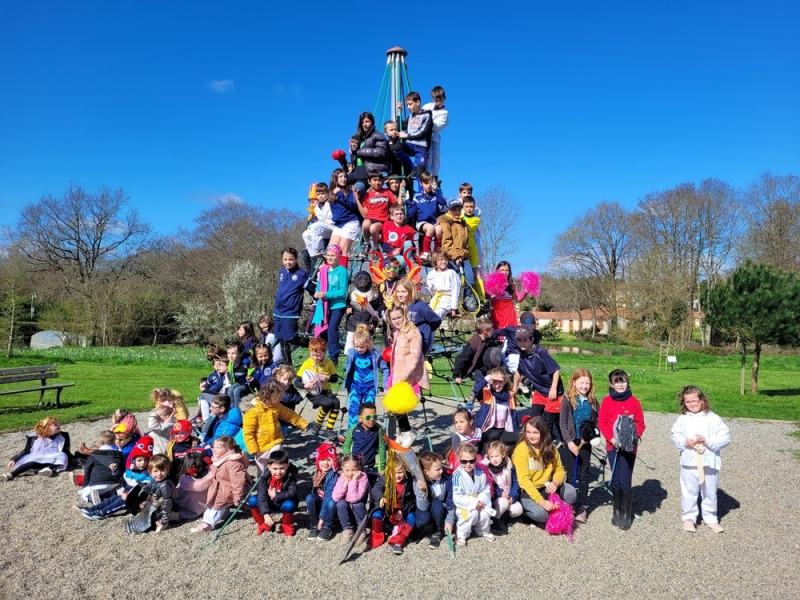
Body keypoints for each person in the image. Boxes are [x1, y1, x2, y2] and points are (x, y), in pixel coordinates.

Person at [670, 385, 730, 533]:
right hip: (690, 461)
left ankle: (711, 518)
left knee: (709, 490)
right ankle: (689, 518)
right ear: (684, 403)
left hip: (709, 460)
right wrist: (685, 442)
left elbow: (725, 437)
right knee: (689, 491)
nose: (691, 404)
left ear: (702, 400)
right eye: (688, 402)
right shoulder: (683, 419)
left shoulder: (713, 418)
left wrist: (708, 441)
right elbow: (675, 435)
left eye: (694, 401)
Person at [597, 369, 646, 530]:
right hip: (613, 446)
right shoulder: (607, 401)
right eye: (616, 382)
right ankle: (617, 510)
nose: (620, 385)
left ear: (627, 382)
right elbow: (602, 423)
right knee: (616, 477)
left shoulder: (634, 402)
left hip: (629, 448)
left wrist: (633, 438)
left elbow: (640, 424)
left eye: (622, 381)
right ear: (611, 384)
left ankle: (626, 513)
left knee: (626, 478)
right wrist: (612, 439)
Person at [512, 416, 578, 526]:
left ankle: (557, 509)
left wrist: (556, 482)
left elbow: (559, 469)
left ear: (542, 432)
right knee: (542, 516)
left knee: (571, 493)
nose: (531, 436)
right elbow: (524, 481)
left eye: (535, 432)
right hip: (529, 491)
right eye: (528, 432)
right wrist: (541, 501)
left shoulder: (551, 448)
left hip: (547, 487)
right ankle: (524, 513)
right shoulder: (521, 449)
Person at [386, 305, 430, 446]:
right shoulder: (397, 332)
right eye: (393, 319)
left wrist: (405, 374)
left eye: (399, 317)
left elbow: (415, 355)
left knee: (401, 404)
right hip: (396, 372)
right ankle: (403, 432)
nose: (397, 321)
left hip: (406, 374)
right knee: (395, 405)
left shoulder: (413, 332)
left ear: (405, 316)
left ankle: (407, 431)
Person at [511, 326, 564, 442]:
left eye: (525, 340)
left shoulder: (540, 352)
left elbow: (556, 370)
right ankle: (539, 442)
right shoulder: (522, 354)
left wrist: (553, 388)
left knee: (552, 421)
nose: (522, 343)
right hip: (539, 391)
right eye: (519, 340)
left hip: (553, 392)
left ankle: (565, 441)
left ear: (532, 340)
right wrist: (514, 387)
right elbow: (519, 372)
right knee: (534, 419)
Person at [559, 368, 598, 524]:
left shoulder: (593, 402)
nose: (584, 386)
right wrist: (569, 442)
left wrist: (593, 436)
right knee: (571, 475)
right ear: (574, 382)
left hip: (585, 443)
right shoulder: (567, 401)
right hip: (571, 442)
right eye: (581, 383)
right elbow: (562, 423)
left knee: (584, 474)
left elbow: (596, 422)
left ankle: (582, 506)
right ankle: (569, 505)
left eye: (587, 383)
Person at [242, 379, 308, 467]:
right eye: (279, 397)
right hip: (261, 447)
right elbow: (248, 433)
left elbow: (290, 415)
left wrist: (303, 425)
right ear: (270, 395)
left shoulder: (277, 406)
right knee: (262, 472)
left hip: (275, 441)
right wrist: (254, 450)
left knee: (275, 461)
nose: (281, 399)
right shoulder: (253, 411)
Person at [192, 436, 251, 533]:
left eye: (218, 447)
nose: (214, 449)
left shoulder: (233, 464)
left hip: (230, 489)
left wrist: (237, 496)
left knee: (217, 504)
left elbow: (238, 482)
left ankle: (208, 523)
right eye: (214, 447)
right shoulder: (219, 460)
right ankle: (223, 514)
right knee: (214, 501)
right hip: (220, 486)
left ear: (228, 450)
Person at [342, 324, 388, 431]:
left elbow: (385, 369)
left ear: (368, 343)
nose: (359, 349)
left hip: (369, 388)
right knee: (353, 409)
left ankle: (368, 432)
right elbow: (348, 366)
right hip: (355, 386)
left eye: (362, 347)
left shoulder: (374, 355)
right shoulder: (352, 353)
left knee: (368, 410)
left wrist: (386, 386)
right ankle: (352, 432)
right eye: (356, 346)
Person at [311, 244, 349, 365]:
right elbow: (319, 286)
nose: (330, 258)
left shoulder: (342, 271)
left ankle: (334, 357)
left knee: (332, 329)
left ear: (338, 257)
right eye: (328, 255)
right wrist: (317, 293)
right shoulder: (323, 270)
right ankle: (320, 354)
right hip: (324, 305)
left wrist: (326, 294)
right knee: (322, 330)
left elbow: (343, 292)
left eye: (333, 255)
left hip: (337, 305)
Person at [273, 247, 311, 366]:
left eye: (290, 259)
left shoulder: (301, 274)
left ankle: (312, 343)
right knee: (281, 339)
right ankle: (288, 366)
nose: (288, 262)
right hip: (278, 312)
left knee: (290, 338)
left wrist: (317, 298)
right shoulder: (282, 272)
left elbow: (312, 288)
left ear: (296, 259)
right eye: (285, 259)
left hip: (290, 312)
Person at [295, 337, 340, 438]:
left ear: (324, 352)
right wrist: (306, 385)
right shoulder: (307, 364)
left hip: (326, 390)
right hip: (313, 393)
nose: (315, 357)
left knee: (336, 402)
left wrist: (328, 378)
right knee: (328, 403)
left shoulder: (328, 362)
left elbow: (335, 378)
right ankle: (317, 424)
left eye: (318, 355)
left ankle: (329, 430)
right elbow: (296, 382)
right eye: (313, 355)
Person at [452, 442, 494, 545]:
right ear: (459, 459)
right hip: (465, 503)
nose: (468, 464)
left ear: (476, 459)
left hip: (480, 500)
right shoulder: (457, 475)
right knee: (471, 514)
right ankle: (462, 534)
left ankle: (483, 530)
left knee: (484, 513)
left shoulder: (480, 472)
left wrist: (481, 500)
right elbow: (457, 496)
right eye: (464, 461)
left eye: (471, 461)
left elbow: (485, 488)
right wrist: (474, 503)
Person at [3, 417, 71, 481]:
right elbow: (26, 450)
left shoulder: (63, 436)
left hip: (52, 461)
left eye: (58, 424)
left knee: (63, 455)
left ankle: (47, 469)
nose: (58, 426)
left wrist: (72, 459)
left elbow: (66, 451)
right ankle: (10, 475)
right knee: (31, 463)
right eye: (55, 425)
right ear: (47, 428)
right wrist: (15, 459)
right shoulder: (35, 437)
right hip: (39, 459)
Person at [371, 461, 417, 554]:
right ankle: (377, 535)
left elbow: (413, 499)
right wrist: (381, 497)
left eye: (400, 472)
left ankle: (399, 540)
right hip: (386, 508)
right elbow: (376, 489)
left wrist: (403, 511)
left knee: (412, 518)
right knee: (376, 516)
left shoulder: (409, 480)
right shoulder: (385, 478)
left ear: (405, 470)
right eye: (393, 473)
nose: (397, 476)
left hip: (402, 509)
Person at [250, 449, 299, 537]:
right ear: (269, 467)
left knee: (289, 505)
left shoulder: (290, 476)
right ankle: (263, 523)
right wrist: (266, 514)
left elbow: (292, 492)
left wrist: (277, 495)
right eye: (275, 469)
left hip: (283, 503)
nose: (278, 472)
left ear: (287, 466)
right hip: (269, 503)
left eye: (282, 468)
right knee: (253, 500)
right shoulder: (264, 478)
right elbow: (262, 495)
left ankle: (287, 525)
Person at [124, 453, 175, 534]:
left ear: (167, 470)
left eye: (162, 470)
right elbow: (150, 490)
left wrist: (164, 520)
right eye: (155, 471)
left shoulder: (165, 486)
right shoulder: (154, 481)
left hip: (162, 510)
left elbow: (167, 503)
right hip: (153, 505)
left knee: (149, 522)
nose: (159, 474)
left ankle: (169, 519)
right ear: (150, 472)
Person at [414, 451, 455, 549]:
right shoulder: (418, 482)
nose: (441, 471)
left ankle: (437, 532)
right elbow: (422, 507)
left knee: (437, 504)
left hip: (439, 509)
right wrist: (421, 491)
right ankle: (423, 529)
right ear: (426, 472)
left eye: (441, 468)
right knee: (423, 518)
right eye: (437, 469)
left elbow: (450, 501)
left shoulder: (446, 479)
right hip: (425, 510)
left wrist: (449, 521)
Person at [70, 430, 124, 503]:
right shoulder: (120, 455)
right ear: (114, 442)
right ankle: (112, 494)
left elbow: (87, 471)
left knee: (84, 493)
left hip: (98, 483)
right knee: (111, 490)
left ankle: (92, 497)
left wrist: (85, 486)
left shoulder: (94, 455)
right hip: (114, 483)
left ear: (98, 443)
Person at [473, 368, 520, 451]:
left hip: (502, 430)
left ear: (505, 381)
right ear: (491, 381)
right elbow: (476, 390)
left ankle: (500, 448)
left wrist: (515, 431)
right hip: (488, 429)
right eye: (495, 381)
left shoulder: (510, 395)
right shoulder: (487, 393)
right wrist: (487, 378)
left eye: (500, 382)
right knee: (494, 435)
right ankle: (487, 449)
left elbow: (513, 415)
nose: (497, 385)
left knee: (520, 437)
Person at [392, 277, 442, 357]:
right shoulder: (399, 307)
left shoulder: (420, 307)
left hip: (419, 343)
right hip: (405, 342)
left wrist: (427, 331)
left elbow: (436, 320)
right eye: (398, 291)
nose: (400, 295)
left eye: (403, 292)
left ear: (410, 292)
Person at [406, 172, 446, 263]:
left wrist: (437, 189)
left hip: (434, 222)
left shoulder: (435, 195)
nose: (428, 186)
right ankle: (426, 252)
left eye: (430, 183)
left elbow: (443, 202)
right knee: (430, 228)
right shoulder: (417, 197)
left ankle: (436, 253)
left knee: (439, 229)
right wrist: (408, 201)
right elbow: (411, 213)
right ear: (421, 183)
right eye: (426, 183)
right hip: (422, 222)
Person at [483, 441, 522, 534]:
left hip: (509, 494)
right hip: (497, 497)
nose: (494, 459)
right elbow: (491, 485)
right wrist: (500, 493)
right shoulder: (488, 469)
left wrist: (513, 495)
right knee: (503, 503)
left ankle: (505, 516)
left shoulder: (509, 466)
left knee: (518, 510)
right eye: (491, 457)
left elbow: (516, 481)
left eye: (497, 456)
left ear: (503, 454)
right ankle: (495, 520)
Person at [343, 271, 383, 355]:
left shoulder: (375, 296)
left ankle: (365, 362)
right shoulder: (351, 295)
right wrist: (348, 308)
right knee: (349, 349)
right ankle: (350, 361)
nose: (363, 284)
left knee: (365, 348)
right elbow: (346, 305)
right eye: (360, 282)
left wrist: (373, 322)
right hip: (352, 325)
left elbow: (376, 312)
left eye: (365, 281)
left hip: (367, 326)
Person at [306, 442, 339, 542]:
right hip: (322, 500)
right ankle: (314, 525)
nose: (325, 463)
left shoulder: (333, 476)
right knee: (309, 497)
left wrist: (322, 518)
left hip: (330, 504)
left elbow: (328, 497)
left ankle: (327, 526)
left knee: (331, 502)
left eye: (328, 460)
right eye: (322, 460)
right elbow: (315, 491)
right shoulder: (318, 474)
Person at [333, 454, 370, 543]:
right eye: (347, 470)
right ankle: (347, 529)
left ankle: (362, 529)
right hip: (347, 506)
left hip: (359, 504)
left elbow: (354, 498)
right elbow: (335, 497)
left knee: (356, 504)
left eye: (353, 470)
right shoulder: (342, 478)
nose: (350, 473)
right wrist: (345, 483)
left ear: (359, 468)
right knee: (340, 504)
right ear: (342, 469)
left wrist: (354, 480)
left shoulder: (363, 477)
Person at [328, 170, 362, 267]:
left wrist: (340, 194)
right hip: (339, 224)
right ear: (335, 179)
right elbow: (335, 211)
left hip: (350, 221)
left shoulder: (351, 191)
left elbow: (352, 205)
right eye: (340, 177)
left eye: (345, 177)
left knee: (342, 250)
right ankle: (330, 273)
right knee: (331, 251)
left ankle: (342, 273)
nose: (343, 179)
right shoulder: (331, 194)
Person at [342, 402, 387, 475]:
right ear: (360, 418)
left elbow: (382, 448)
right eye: (368, 417)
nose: (372, 419)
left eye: (374, 417)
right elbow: (347, 445)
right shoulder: (353, 429)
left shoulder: (379, 429)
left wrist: (382, 468)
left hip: (369, 466)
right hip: (354, 466)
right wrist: (348, 461)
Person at [358, 172, 397, 252]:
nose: (377, 182)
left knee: (373, 228)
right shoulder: (367, 195)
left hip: (382, 221)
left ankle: (376, 248)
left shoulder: (387, 192)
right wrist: (357, 199)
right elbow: (365, 214)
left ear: (382, 181)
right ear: (369, 182)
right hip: (370, 218)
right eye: (374, 180)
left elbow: (394, 205)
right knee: (365, 224)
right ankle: (367, 243)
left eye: (379, 180)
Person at [452, 317, 497, 387]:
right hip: (474, 369)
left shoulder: (489, 340)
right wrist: (457, 375)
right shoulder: (474, 343)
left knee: (496, 379)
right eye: (491, 330)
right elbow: (461, 359)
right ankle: (477, 392)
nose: (493, 330)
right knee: (482, 382)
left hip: (486, 368)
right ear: (485, 332)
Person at [398, 91, 433, 177]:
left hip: (421, 147)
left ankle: (418, 172)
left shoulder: (427, 115)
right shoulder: (410, 116)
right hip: (410, 145)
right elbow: (400, 126)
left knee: (420, 174)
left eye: (410, 104)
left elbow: (423, 132)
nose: (408, 107)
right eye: (407, 105)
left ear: (418, 102)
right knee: (397, 147)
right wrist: (399, 112)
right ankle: (412, 168)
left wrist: (406, 135)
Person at [350, 111, 390, 185]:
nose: (364, 124)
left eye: (367, 121)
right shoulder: (361, 138)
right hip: (358, 172)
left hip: (370, 173)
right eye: (362, 122)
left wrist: (359, 151)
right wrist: (353, 150)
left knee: (357, 188)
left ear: (372, 122)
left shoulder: (377, 135)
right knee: (339, 181)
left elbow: (381, 152)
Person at [302, 183, 336, 268]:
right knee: (305, 234)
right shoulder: (317, 207)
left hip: (332, 227)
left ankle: (320, 250)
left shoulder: (331, 203)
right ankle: (313, 254)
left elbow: (333, 217)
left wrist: (324, 222)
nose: (320, 196)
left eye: (322, 194)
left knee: (315, 226)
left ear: (327, 193)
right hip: (323, 228)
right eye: (318, 194)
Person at [487, 261, 529, 329]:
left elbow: (518, 299)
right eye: (502, 270)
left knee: (510, 332)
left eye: (507, 270)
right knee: (497, 332)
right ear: (497, 270)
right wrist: (495, 288)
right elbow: (486, 296)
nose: (504, 272)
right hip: (496, 314)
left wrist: (526, 291)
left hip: (509, 314)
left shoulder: (511, 284)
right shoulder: (491, 282)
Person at [174, 451, 213, 521]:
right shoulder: (211, 474)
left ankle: (176, 515)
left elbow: (177, 492)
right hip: (208, 506)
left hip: (191, 508)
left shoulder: (185, 479)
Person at [461, 195, 485, 301]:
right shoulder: (460, 217)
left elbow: (467, 225)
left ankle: (482, 298)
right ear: (463, 207)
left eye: (471, 207)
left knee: (476, 272)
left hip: (472, 249)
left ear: (474, 207)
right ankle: (466, 296)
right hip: (462, 248)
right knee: (465, 272)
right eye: (466, 207)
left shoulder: (476, 220)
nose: (469, 209)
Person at [421, 86, 448, 179]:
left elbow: (439, 125)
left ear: (444, 98)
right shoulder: (427, 106)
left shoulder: (444, 113)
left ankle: (435, 175)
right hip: (425, 136)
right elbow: (419, 115)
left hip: (434, 135)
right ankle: (428, 174)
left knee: (436, 156)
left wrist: (428, 123)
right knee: (428, 155)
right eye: (436, 101)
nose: (438, 103)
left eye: (440, 100)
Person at [426, 249, 461, 318]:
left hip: (446, 301)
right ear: (435, 261)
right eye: (440, 260)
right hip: (435, 301)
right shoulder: (431, 274)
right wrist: (420, 287)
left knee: (435, 316)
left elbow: (455, 290)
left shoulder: (451, 273)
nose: (444, 262)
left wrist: (453, 308)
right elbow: (429, 290)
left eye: (446, 259)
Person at [448, 408, 483, 473]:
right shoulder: (457, 436)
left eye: (461, 422)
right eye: (456, 422)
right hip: (461, 458)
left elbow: (481, 447)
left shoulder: (478, 432)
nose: (458, 425)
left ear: (470, 422)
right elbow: (458, 454)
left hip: (475, 455)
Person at [197, 355, 230, 421]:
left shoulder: (226, 375)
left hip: (222, 396)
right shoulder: (215, 375)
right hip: (218, 395)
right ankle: (206, 420)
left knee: (203, 395)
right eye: (217, 365)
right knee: (203, 398)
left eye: (221, 365)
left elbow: (221, 386)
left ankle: (202, 416)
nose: (219, 367)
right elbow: (207, 386)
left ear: (228, 366)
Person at [223, 340, 251, 408]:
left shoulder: (246, 363)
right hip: (239, 382)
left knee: (237, 391)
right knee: (230, 389)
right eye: (228, 353)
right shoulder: (231, 363)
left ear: (240, 354)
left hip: (248, 384)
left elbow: (252, 374)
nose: (230, 356)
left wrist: (249, 377)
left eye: (233, 353)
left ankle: (238, 410)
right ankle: (233, 409)